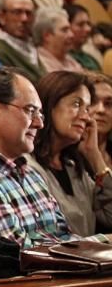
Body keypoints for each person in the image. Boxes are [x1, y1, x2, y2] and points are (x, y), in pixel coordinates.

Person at [0, 67, 109, 247]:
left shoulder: (28, 174)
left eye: (39, 113)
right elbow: (20, 256)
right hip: (26, 274)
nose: (40, 123)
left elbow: (62, 237)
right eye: (30, 110)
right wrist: (104, 243)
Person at [27, 71, 112, 237]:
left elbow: (110, 218)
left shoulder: (72, 166)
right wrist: (104, 242)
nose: (86, 117)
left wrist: (94, 156)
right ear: (49, 105)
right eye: (76, 104)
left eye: (87, 108)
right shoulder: (27, 166)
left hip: (91, 260)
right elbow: (54, 238)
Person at [0, 0, 45, 83]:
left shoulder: (34, 45)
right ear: (2, 17)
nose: (24, 18)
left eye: (29, 13)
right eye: (17, 12)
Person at [34, 7, 83, 74]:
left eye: (70, 29)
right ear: (47, 36)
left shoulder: (71, 62)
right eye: (64, 30)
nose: (71, 35)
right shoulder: (38, 64)